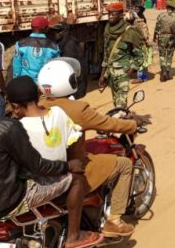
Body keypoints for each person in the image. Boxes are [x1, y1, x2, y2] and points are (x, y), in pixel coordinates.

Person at [0, 69, 98, 248]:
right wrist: (68, 165)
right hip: (10, 202)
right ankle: (74, 237)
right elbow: (39, 166)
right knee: (77, 180)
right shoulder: (7, 126)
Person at [37, 59, 141, 237]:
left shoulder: (37, 105)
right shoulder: (78, 109)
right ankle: (114, 221)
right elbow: (109, 124)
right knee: (124, 165)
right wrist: (132, 125)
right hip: (72, 168)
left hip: (43, 169)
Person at [6, 75, 103, 248]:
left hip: (27, 186)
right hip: (54, 181)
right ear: (38, 95)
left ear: (14, 106)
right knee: (78, 179)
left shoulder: (16, 128)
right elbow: (76, 137)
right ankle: (73, 236)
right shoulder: (58, 113)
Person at [100, 2, 144, 108]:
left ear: (120, 15)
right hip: (111, 74)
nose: (110, 16)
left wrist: (130, 72)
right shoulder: (108, 29)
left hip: (123, 75)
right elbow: (107, 54)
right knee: (116, 104)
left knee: (121, 106)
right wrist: (102, 74)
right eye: (109, 14)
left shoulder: (130, 31)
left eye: (113, 14)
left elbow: (139, 55)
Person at [12, 15, 59, 82]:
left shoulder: (20, 44)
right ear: (45, 28)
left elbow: (17, 66)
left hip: (26, 83)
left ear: (31, 27)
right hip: (45, 83)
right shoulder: (54, 46)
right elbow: (56, 67)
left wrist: (16, 81)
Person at [48, 21, 88, 98]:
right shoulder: (63, 41)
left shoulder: (69, 44)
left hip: (75, 84)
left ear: (65, 31)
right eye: (54, 31)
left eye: (58, 31)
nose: (55, 33)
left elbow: (68, 67)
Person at [153, 0, 175, 82]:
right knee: (169, 55)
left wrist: (154, 37)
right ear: (173, 8)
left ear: (166, 7)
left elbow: (156, 28)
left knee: (162, 55)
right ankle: (167, 72)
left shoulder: (161, 15)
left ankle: (163, 71)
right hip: (171, 38)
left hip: (161, 37)